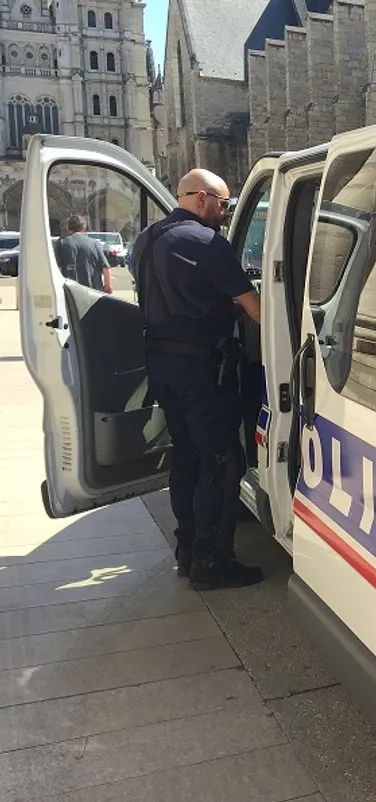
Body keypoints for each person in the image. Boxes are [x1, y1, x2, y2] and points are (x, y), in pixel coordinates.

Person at [129, 168, 264, 590]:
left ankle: (187, 548)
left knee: (186, 455)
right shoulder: (207, 241)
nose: (225, 213)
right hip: (204, 371)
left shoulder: (146, 240)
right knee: (221, 460)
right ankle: (212, 561)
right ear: (202, 198)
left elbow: (175, 298)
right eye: (224, 204)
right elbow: (257, 308)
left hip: (162, 365)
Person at [54, 214, 112, 293]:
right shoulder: (94, 243)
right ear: (83, 227)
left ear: (68, 227)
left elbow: (56, 268)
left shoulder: (61, 243)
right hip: (94, 292)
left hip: (71, 292)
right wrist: (107, 285)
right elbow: (105, 268)